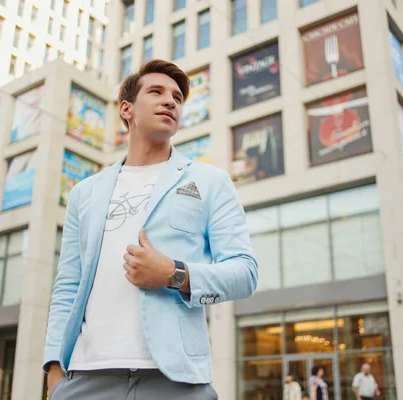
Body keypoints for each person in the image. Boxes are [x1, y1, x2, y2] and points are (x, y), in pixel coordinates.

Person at [43, 59, 259, 399]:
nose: (170, 101)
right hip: (86, 376)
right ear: (127, 109)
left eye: (177, 97)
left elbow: (245, 273)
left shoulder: (210, 181)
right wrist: (55, 368)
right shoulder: (84, 193)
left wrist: (174, 274)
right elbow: (68, 285)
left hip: (176, 380)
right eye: (156, 92)